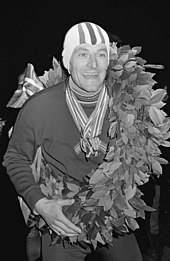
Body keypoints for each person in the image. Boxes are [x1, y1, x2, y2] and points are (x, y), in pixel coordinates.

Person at [3, 22, 143, 261]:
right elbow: (15, 158)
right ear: (67, 61)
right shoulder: (39, 107)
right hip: (61, 217)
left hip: (112, 215)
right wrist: (40, 205)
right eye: (82, 54)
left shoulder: (129, 106)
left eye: (100, 54)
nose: (93, 64)